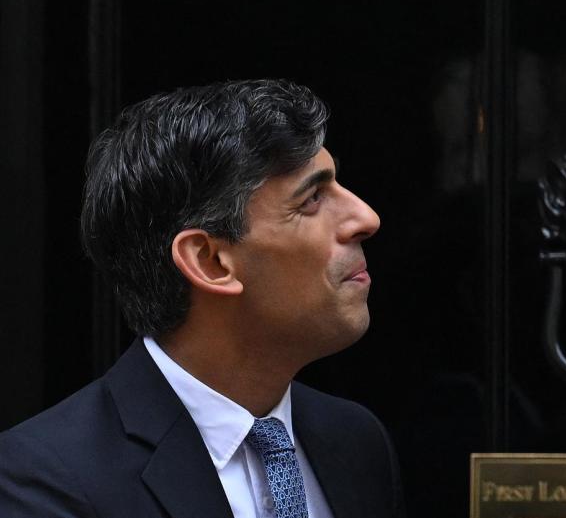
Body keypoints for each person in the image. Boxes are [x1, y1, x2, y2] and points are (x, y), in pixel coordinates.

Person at [0, 79, 406, 517]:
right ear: (210, 261)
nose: (366, 217)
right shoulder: (46, 478)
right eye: (311, 200)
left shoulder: (356, 441)